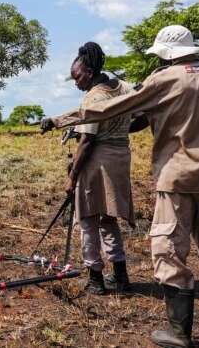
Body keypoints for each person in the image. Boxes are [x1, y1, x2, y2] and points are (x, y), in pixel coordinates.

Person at [44, 25, 199, 347]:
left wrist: (60, 119)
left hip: (175, 181)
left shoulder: (162, 79)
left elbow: (109, 109)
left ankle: (179, 333)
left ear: (166, 53)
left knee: (169, 250)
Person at [42, 42, 145, 295]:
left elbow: (86, 141)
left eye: (77, 77)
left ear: (88, 71)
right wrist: (123, 132)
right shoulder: (124, 87)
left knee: (87, 218)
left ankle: (96, 279)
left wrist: (72, 176)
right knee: (109, 219)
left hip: (97, 162)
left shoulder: (93, 97)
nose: (75, 82)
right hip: (121, 158)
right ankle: (121, 277)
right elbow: (147, 115)